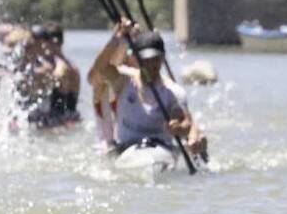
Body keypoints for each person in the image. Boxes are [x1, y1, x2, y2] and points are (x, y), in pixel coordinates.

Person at [87, 23, 203, 157]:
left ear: (163, 58)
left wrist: (180, 128)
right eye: (146, 59)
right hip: (126, 149)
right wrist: (117, 38)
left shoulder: (174, 91)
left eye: (156, 59)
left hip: (161, 149)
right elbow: (100, 68)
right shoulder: (124, 80)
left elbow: (187, 122)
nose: (151, 64)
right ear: (136, 59)